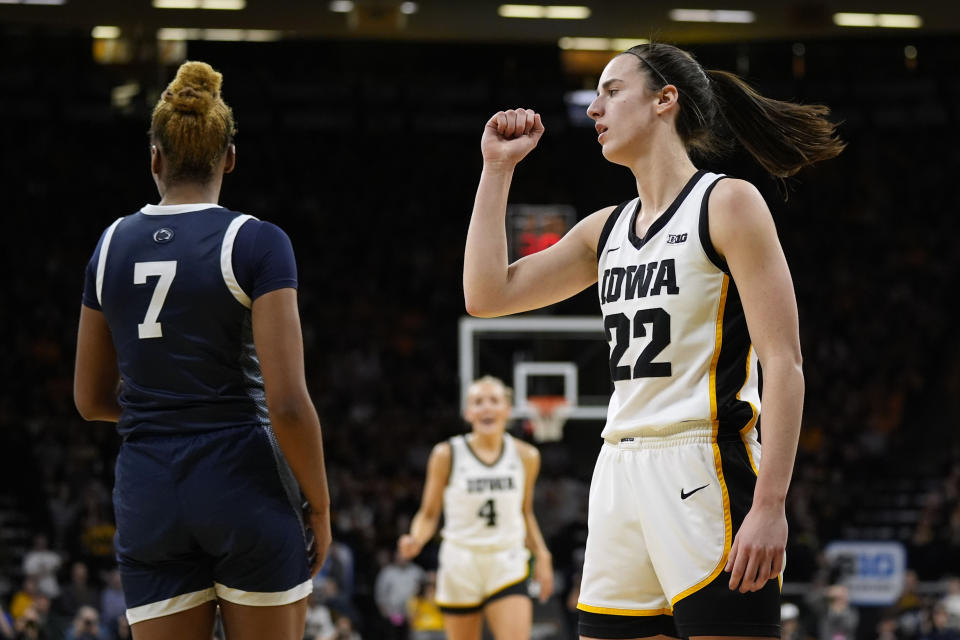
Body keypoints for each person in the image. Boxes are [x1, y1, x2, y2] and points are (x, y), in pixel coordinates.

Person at [462, 41, 844, 640]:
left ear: (666, 99)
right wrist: (497, 169)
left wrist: (770, 504)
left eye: (612, 91)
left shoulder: (728, 202)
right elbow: (486, 296)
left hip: (705, 463)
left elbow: (784, 362)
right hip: (618, 469)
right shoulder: (604, 229)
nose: (594, 109)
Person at [73, 60, 331, 640]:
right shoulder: (258, 241)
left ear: (155, 157)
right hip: (244, 478)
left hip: (148, 489)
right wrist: (319, 504)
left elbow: (89, 399)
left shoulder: (109, 244)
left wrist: (164, 410)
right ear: (230, 156)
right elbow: (288, 404)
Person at [397, 376, 554, 640]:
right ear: (468, 412)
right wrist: (416, 538)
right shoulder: (446, 454)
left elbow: (525, 512)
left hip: (507, 560)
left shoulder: (526, 456)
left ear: (508, 410)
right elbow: (429, 514)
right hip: (461, 562)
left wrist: (542, 555)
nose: (486, 407)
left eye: (494, 400)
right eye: (478, 402)